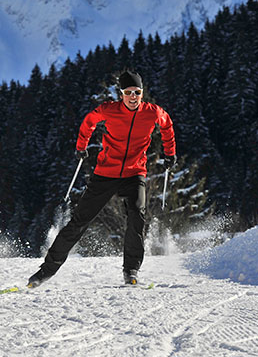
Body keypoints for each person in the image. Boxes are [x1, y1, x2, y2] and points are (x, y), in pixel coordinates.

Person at [28, 70, 176, 287]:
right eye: (128, 92)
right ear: (121, 94)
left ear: (142, 93)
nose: (133, 97)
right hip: (106, 173)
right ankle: (45, 271)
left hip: (135, 173)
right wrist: (81, 146)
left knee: (137, 215)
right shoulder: (109, 110)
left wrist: (169, 153)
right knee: (79, 221)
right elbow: (89, 122)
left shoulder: (152, 112)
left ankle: (131, 270)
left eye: (137, 92)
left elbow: (167, 125)